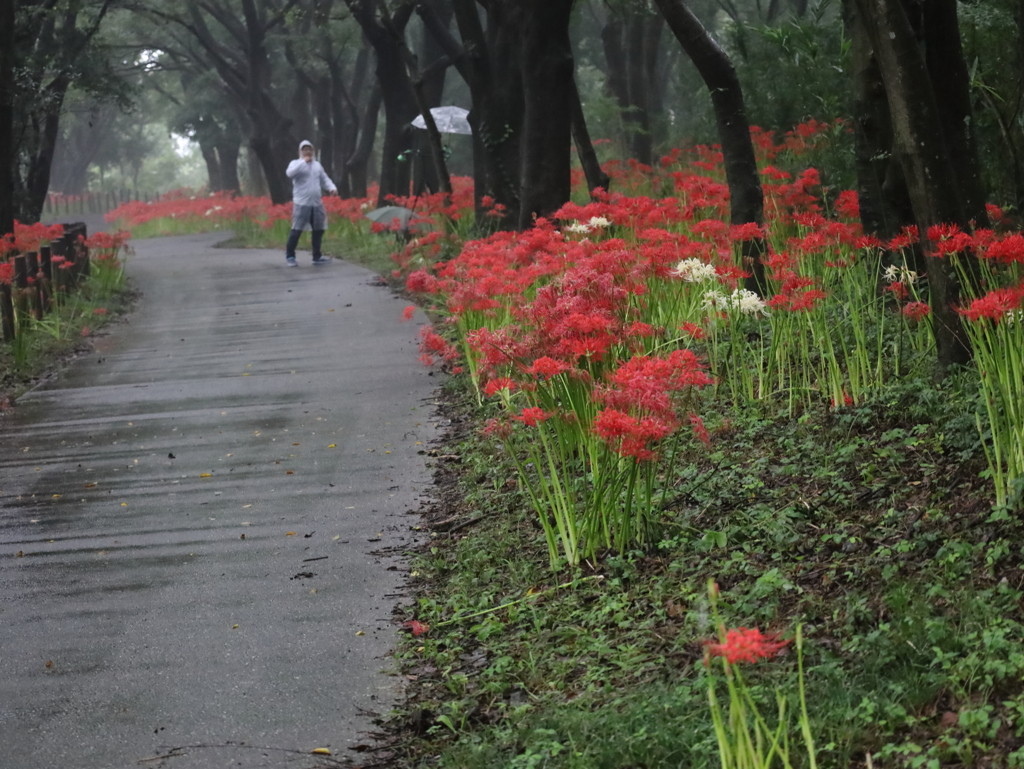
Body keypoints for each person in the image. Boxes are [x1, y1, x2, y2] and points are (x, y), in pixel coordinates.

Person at [285, 140, 338, 267]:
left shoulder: (317, 166)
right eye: (305, 149)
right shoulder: (296, 164)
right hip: (301, 203)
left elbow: (324, 179)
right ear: (300, 151)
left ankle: (317, 256)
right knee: (297, 229)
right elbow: (289, 173)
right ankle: (290, 256)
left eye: (309, 149)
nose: (308, 152)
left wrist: (332, 187)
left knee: (318, 230)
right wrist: (304, 161)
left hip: (316, 203)